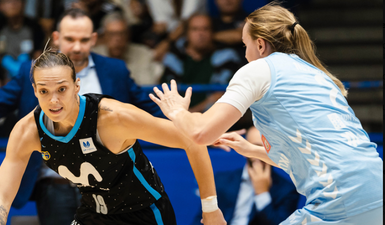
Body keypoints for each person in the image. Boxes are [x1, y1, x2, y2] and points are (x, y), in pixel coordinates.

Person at [150, 2, 383, 224]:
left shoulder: (259, 69)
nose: (245, 54)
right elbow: (313, 151)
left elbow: (200, 134)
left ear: (260, 45)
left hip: (342, 199)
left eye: (245, 45)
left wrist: (177, 111)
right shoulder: (317, 74)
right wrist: (251, 149)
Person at [0, 51, 226, 225]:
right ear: (35, 90)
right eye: (44, 92)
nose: (54, 100)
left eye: (62, 89)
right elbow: (2, 195)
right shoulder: (28, 130)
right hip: (93, 213)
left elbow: (192, 140)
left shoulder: (113, 117)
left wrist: (211, 209)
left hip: (144, 213)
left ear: (76, 85)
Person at [0, 8, 165, 225]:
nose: (77, 47)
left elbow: (148, 108)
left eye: (84, 39)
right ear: (57, 37)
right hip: (55, 185)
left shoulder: (114, 72)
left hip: (114, 187)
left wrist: (189, 121)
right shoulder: (31, 72)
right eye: (70, 39)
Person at [192, 126, 299, 225]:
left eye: (266, 148)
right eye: (254, 147)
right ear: (243, 150)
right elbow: (200, 220)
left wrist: (262, 193)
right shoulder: (221, 181)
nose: (260, 153)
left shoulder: (287, 190)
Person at [160, 13, 241, 112]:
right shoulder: (174, 57)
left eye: (205, 29)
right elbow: (167, 93)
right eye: (195, 29)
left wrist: (190, 115)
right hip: (176, 117)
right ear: (187, 34)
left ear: (213, 32)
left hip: (213, 119)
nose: (201, 33)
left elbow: (222, 95)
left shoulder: (227, 57)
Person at [92, 12, 163, 85]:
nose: (118, 39)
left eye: (122, 33)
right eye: (112, 34)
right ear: (104, 36)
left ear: (129, 35)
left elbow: (147, 86)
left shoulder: (143, 54)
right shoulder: (94, 55)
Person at [0, 0, 45, 77]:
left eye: (17, 1)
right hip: (2, 74)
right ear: (0, 6)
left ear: (24, 4)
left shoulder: (34, 27)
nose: (13, 4)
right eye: (8, 1)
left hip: (29, 73)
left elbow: (39, 54)